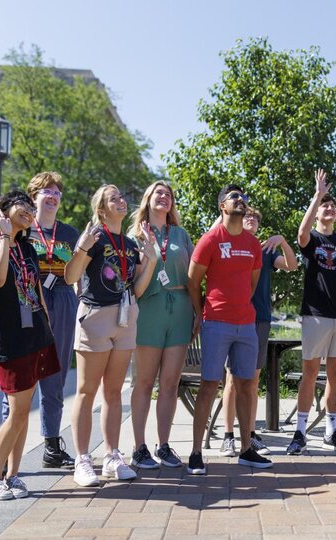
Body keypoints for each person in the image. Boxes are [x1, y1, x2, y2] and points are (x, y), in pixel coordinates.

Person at [65, 184, 157, 486]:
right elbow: (71, 277)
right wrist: (81, 248)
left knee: (114, 392)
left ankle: (112, 456)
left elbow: (137, 290)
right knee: (86, 391)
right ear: (102, 209)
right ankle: (82, 459)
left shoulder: (130, 244)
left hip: (125, 318)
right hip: (95, 318)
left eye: (121, 197)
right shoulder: (94, 236)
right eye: (113, 198)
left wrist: (151, 259)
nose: (121, 200)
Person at [0, 190, 61, 500]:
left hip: (37, 336)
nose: (29, 211)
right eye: (22, 204)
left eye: (30, 208)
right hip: (11, 339)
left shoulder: (28, 248)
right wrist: (5, 239)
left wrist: (48, 331)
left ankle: (13, 476)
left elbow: (35, 291)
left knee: (25, 412)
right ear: (4, 210)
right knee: (17, 413)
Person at [186, 184, 272, 475]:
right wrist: (200, 313)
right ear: (222, 206)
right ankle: (196, 452)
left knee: (247, 385)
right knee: (210, 384)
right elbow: (192, 281)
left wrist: (239, 307)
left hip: (246, 324)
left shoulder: (253, 243)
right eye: (234, 197)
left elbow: (251, 283)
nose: (241, 200)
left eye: (243, 197)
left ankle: (247, 449)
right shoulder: (210, 240)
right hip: (216, 323)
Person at [0, 172, 79, 470]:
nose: (53, 195)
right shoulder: (21, 229)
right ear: (33, 197)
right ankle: (7, 449)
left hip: (62, 296)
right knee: (20, 375)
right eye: (47, 190)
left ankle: (51, 444)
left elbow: (78, 271)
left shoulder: (70, 233)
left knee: (55, 374)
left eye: (57, 191)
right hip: (26, 299)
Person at [220, 206, 298, 457]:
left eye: (255, 217)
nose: (251, 219)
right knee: (232, 379)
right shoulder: (231, 245)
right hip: (235, 318)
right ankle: (229, 435)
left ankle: (250, 434)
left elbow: (292, 265)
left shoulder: (264, 251)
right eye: (247, 216)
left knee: (252, 380)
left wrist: (283, 241)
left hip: (260, 320)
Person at [128, 181, 196, 469]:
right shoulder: (134, 236)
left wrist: (198, 312)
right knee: (144, 382)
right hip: (148, 309)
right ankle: (139, 447)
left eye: (169, 194)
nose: (164, 197)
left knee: (170, 383)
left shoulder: (181, 234)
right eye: (159, 193)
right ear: (147, 199)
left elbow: (194, 276)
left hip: (179, 309)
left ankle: (164, 446)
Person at [287, 169, 336, 455]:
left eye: (333, 206)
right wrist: (317, 195)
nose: (330, 208)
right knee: (310, 372)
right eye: (327, 205)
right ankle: (300, 432)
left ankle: (331, 430)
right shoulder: (312, 239)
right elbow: (300, 234)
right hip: (315, 314)